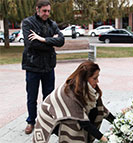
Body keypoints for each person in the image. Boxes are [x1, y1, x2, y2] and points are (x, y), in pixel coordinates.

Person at [33, 61, 115, 143]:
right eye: (95, 78)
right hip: (52, 114)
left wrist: (116, 122)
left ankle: (87, 139)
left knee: (95, 112)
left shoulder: (88, 88)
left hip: (71, 113)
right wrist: (105, 139)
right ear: (85, 79)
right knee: (73, 127)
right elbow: (84, 122)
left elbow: (101, 108)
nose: (97, 81)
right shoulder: (70, 94)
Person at [22, 0, 65, 134]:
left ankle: (48, 120)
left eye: (48, 11)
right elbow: (31, 44)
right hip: (33, 66)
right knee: (32, 97)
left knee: (49, 97)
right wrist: (51, 41)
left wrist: (42, 39)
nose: (47, 13)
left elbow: (61, 41)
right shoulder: (28, 23)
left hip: (48, 67)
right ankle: (31, 121)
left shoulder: (52, 24)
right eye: (44, 11)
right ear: (37, 9)